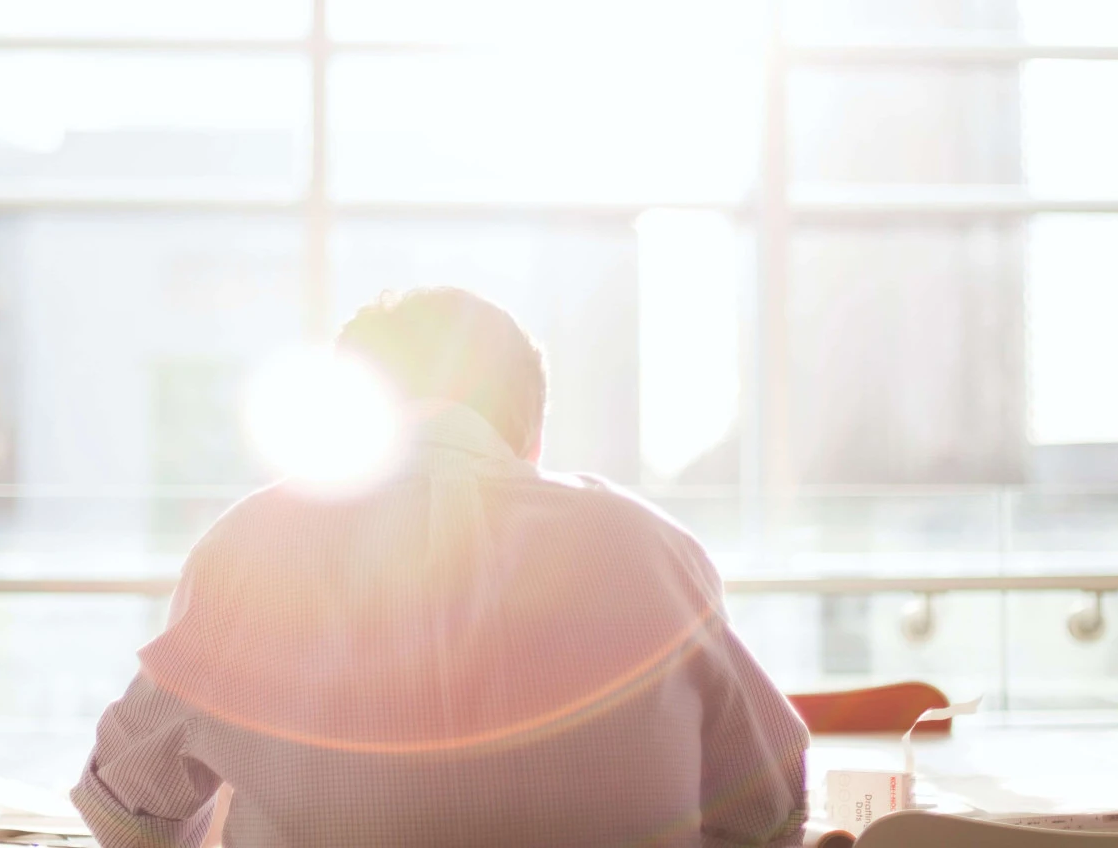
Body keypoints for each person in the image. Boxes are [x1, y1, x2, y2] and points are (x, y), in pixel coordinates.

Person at [73, 287, 809, 847]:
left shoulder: (252, 547)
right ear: (533, 433)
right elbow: (769, 806)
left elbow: (125, 808)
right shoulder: (652, 549)